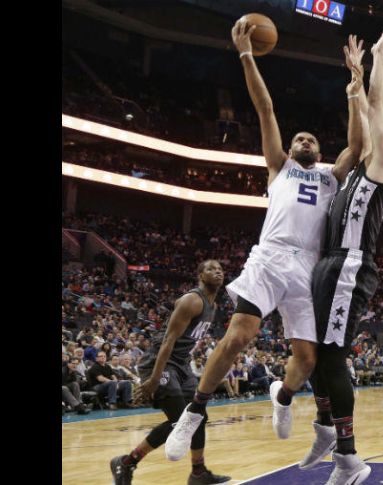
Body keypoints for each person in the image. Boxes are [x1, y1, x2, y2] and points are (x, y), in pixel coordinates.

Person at [165, 20, 364, 461]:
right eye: (299, 138)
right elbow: (266, 109)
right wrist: (246, 56)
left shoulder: (332, 177)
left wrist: (356, 84)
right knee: (240, 334)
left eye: (311, 138)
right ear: (291, 149)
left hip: (308, 267)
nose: (305, 140)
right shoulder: (279, 167)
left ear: (319, 149)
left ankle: (284, 394)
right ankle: (193, 413)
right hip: (271, 257)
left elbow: (358, 142)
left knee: (308, 360)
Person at [300, 27, 383, 485]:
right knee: (312, 353)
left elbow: (379, 107)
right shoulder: (362, 164)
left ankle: (349, 458)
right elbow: (369, 111)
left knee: (332, 358)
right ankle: (328, 432)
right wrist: (357, 80)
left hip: (350, 265)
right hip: (330, 262)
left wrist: (376, 60)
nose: (382, 132)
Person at [109, 260, 230, 485]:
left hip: (181, 365)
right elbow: (167, 341)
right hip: (159, 361)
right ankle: (126, 462)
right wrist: (154, 378)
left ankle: (198, 472)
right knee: (179, 421)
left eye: (220, 270)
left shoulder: (213, 306)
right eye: (211, 269)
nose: (218, 272)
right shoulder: (192, 300)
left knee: (198, 417)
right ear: (200, 275)